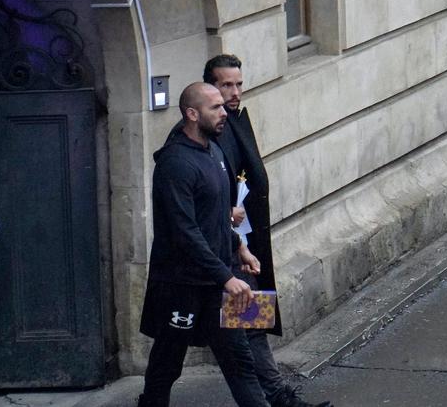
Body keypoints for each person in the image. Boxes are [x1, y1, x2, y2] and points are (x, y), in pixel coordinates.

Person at [193, 54, 329, 407]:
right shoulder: (200, 136)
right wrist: (228, 223)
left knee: (248, 326)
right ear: (210, 87)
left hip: (237, 245)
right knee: (184, 341)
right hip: (211, 255)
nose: (235, 93)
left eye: (239, 84)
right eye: (226, 85)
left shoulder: (234, 119)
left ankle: (277, 396)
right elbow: (198, 193)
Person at [137, 82, 269, 407]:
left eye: (223, 106)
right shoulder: (175, 164)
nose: (225, 112)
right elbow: (185, 231)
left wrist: (240, 247)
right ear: (192, 114)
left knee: (241, 363)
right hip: (181, 286)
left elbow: (214, 217)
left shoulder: (216, 151)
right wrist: (227, 276)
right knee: (166, 365)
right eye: (216, 107)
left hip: (221, 282)